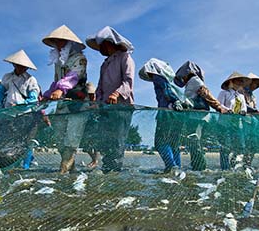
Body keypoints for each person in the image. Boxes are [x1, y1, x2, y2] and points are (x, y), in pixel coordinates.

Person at [86, 26, 135, 173]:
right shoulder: (105, 64)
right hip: (106, 108)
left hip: (121, 108)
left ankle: (114, 172)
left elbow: (128, 81)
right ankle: (107, 170)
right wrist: (97, 102)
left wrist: (116, 94)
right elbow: (100, 86)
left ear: (109, 43)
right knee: (106, 141)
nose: (100, 48)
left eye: (102, 44)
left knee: (117, 141)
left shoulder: (125, 58)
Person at [41, 25, 89, 173]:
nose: (58, 45)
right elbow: (56, 81)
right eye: (56, 42)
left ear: (69, 42)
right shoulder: (59, 62)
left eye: (61, 41)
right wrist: (48, 94)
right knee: (59, 138)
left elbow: (73, 76)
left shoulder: (80, 59)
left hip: (78, 105)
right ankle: (71, 170)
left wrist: (60, 90)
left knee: (72, 140)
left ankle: (62, 173)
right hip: (62, 105)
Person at [139, 58, 192, 172]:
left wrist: (174, 100)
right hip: (177, 114)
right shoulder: (168, 80)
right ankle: (177, 167)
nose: (148, 74)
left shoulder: (158, 78)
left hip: (167, 114)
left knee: (160, 142)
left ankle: (171, 166)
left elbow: (166, 90)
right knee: (174, 143)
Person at [174, 61, 226, 170]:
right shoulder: (191, 83)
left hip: (197, 117)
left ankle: (200, 167)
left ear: (188, 73)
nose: (182, 78)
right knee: (193, 142)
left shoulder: (195, 81)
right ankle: (196, 165)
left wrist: (219, 107)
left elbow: (206, 94)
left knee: (195, 141)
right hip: (194, 116)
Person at [217, 72, 250, 169]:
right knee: (225, 146)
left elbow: (244, 108)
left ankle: (234, 165)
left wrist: (243, 111)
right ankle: (225, 167)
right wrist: (227, 110)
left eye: (241, 81)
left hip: (237, 125)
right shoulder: (224, 93)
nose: (240, 83)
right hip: (224, 124)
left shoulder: (241, 96)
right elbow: (219, 105)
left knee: (239, 145)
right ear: (231, 81)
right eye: (238, 81)